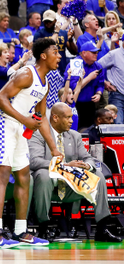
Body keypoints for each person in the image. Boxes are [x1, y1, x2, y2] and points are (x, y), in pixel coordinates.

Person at [0, 37, 62, 248]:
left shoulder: (45, 83)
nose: (59, 56)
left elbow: (42, 117)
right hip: (3, 122)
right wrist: (25, 120)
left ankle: (20, 231)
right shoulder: (26, 73)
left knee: (24, 176)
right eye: (55, 52)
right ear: (44, 56)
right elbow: (0, 98)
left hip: (20, 127)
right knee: (3, 173)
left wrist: (54, 147)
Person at [29, 102, 122, 242]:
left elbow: (88, 158)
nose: (72, 121)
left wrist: (87, 166)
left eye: (71, 117)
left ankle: (103, 228)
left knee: (98, 175)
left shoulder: (74, 135)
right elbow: (34, 161)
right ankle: (44, 227)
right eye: (68, 117)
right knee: (42, 174)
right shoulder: (39, 134)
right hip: (49, 186)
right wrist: (65, 166)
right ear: (55, 118)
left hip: (73, 187)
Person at [97, 37, 124, 124]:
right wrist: (103, 82)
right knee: (118, 124)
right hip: (117, 94)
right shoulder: (114, 54)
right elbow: (96, 67)